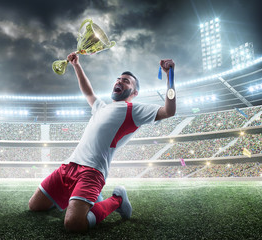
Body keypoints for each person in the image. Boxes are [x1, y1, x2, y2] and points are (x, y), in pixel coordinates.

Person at [29, 52, 176, 232]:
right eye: (118, 79)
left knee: (74, 224)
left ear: (135, 92)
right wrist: (76, 65)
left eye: (126, 81)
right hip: (69, 165)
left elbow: (169, 111)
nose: (119, 82)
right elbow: (88, 91)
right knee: (35, 206)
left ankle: (118, 200)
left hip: (92, 172)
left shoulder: (134, 110)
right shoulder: (101, 107)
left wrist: (170, 76)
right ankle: (80, 197)